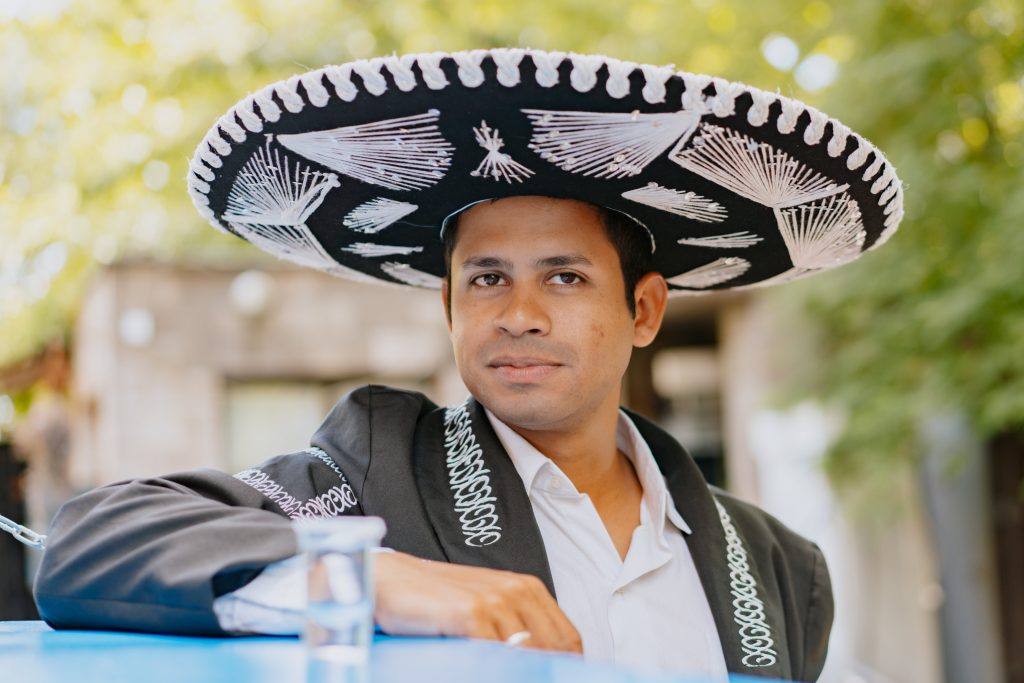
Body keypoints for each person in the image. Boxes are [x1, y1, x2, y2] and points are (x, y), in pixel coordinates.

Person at [33, 48, 905, 682]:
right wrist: (381, 579)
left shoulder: (783, 567)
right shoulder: (376, 473)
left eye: (564, 277)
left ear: (642, 310)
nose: (518, 315)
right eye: (487, 279)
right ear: (450, 309)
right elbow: (88, 544)